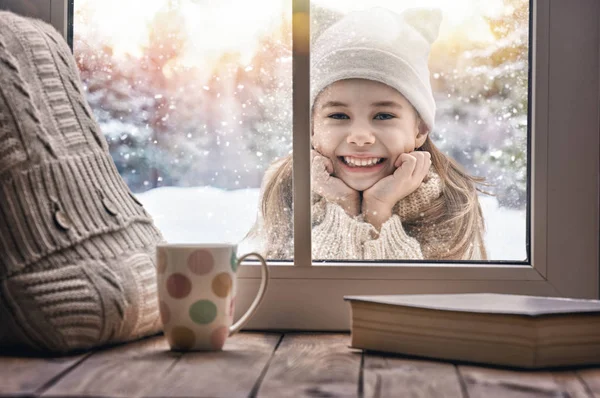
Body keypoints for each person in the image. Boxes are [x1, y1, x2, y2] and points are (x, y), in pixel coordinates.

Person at [248, 7, 488, 261]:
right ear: (312, 129)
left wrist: (378, 211)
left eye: (383, 116)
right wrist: (342, 205)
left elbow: (401, 298)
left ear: (420, 129)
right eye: (338, 116)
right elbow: (314, 294)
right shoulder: (288, 191)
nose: (360, 137)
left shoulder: (449, 204)